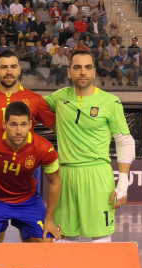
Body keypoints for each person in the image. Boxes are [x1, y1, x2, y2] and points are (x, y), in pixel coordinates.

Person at [44, 51, 135, 242]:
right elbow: (30, 104)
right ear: (69, 72)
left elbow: (125, 141)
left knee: (100, 240)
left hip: (97, 175)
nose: (83, 72)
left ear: (94, 72)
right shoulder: (60, 97)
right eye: (77, 67)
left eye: (88, 67)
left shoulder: (110, 101)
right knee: (63, 238)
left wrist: (123, 183)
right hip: (65, 175)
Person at [0, 101, 62, 243]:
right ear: (4, 124)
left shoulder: (44, 147)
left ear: (30, 124)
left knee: (45, 245)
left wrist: (49, 220)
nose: (19, 131)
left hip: (28, 201)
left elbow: (55, 181)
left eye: (23, 124)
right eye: (13, 124)